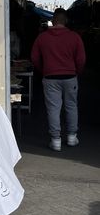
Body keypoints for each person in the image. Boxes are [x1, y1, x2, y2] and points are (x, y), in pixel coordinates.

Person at [31, 8, 86, 151]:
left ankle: (56, 140)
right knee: (71, 106)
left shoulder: (42, 37)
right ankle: (72, 137)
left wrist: (43, 70)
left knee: (53, 108)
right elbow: (81, 59)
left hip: (50, 77)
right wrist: (76, 72)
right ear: (65, 21)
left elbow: (34, 58)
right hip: (70, 77)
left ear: (53, 21)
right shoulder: (75, 37)